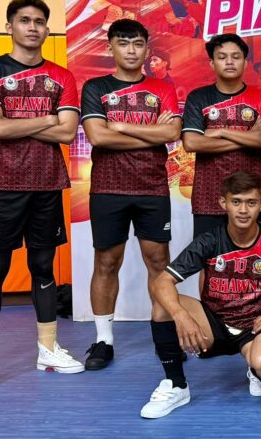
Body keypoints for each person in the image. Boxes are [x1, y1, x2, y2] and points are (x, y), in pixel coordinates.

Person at [0, 0, 84, 391]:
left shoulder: (62, 76)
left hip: (47, 183)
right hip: (2, 182)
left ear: (47, 29)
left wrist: (15, 120)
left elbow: (67, 133)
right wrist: (47, 118)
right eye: (24, 20)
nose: (32, 27)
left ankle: (47, 349)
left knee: (42, 267)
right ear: (10, 27)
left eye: (39, 21)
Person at [140, 171, 261, 418]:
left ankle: (255, 367)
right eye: (236, 202)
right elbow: (162, 282)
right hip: (214, 323)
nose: (243, 210)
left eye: (251, 202)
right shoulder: (209, 240)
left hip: (256, 325)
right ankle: (176, 385)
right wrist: (181, 316)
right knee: (162, 304)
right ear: (223, 203)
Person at [79, 18, 182, 371]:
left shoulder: (161, 88)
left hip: (152, 187)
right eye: (123, 43)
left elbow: (171, 134)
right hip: (108, 188)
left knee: (158, 261)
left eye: (138, 43)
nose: (131, 50)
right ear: (111, 48)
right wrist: (150, 132)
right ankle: (103, 340)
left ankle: (163, 337)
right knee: (106, 262)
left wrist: (121, 125)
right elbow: (98, 136)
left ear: (147, 49)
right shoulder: (96, 87)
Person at [181, 33, 261, 239]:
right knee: (206, 255)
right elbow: (192, 142)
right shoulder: (198, 97)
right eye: (222, 57)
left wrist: (221, 132)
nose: (229, 62)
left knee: (252, 255)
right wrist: (248, 137)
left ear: (245, 62)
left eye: (236, 57)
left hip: (250, 196)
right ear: (212, 63)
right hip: (208, 196)